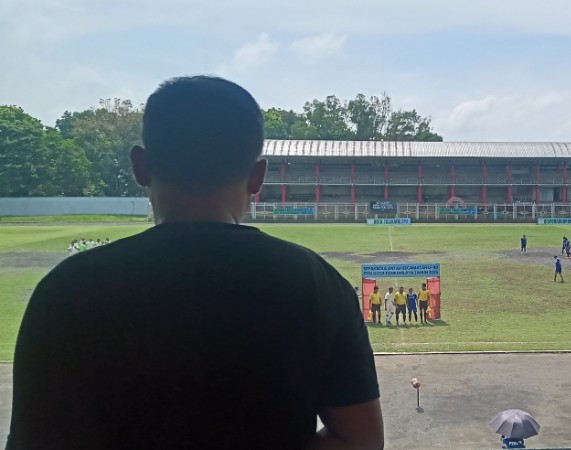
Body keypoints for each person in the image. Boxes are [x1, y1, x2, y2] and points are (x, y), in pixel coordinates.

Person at [7, 76, 383, 450]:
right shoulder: (316, 282)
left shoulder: (67, 290)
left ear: (140, 166)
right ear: (258, 177)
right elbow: (361, 440)